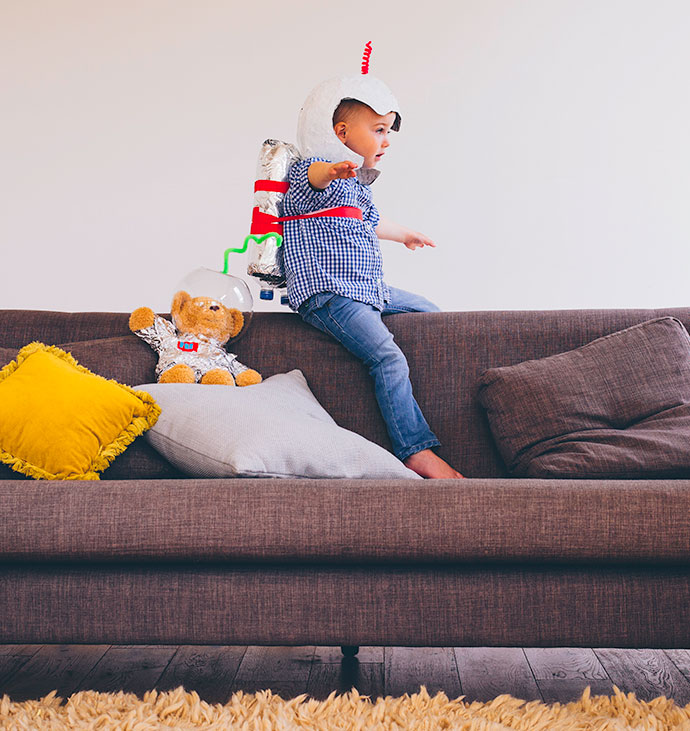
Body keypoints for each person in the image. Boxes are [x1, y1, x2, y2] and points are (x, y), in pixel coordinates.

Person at [281, 83, 463, 479]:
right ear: (342, 134)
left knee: (430, 312)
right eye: (378, 129)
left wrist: (407, 235)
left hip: (366, 289)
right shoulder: (309, 176)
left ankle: (426, 403)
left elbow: (373, 222)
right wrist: (331, 170)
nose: (387, 140)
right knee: (387, 356)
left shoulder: (357, 188)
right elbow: (315, 177)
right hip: (330, 292)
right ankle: (415, 449)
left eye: (389, 131)